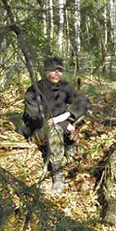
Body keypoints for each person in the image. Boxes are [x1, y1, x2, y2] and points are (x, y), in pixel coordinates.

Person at [23, 56, 89, 193]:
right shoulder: (34, 90)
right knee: (54, 128)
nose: (56, 74)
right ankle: (58, 173)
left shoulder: (64, 86)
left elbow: (82, 101)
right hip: (39, 131)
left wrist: (69, 116)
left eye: (59, 71)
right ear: (45, 72)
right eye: (52, 71)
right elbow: (37, 119)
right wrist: (64, 122)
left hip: (60, 123)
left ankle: (69, 144)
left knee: (77, 116)